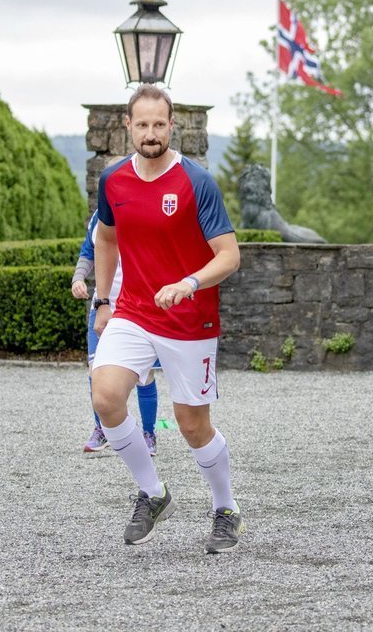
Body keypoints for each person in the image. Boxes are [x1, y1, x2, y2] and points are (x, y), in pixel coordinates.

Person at [91, 85, 243, 553]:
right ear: (128, 126)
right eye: (142, 124)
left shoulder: (197, 181)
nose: (151, 133)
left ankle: (226, 508)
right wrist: (102, 300)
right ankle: (153, 493)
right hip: (134, 311)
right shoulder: (113, 180)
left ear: (171, 125)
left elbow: (229, 255)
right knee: (106, 395)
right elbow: (106, 239)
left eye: (159, 124)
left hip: (189, 319)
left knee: (192, 425)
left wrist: (188, 283)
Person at [71, 209, 160, 455]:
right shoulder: (98, 217)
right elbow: (88, 252)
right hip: (100, 308)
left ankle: (149, 433)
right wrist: (78, 278)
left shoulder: (142, 209)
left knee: (146, 374)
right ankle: (102, 430)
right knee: (94, 371)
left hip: (138, 308)